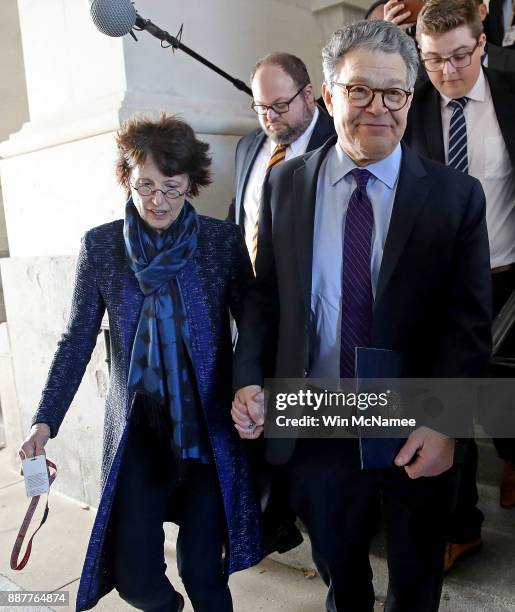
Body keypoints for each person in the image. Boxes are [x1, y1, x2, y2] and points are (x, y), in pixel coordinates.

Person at [232, 20, 492, 612]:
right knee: (341, 577)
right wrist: (250, 377)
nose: (379, 107)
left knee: (416, 583)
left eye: (394, 92)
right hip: (316, 422)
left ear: (409, 95)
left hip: (415, 425)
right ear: (328, 94)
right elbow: (266, 295)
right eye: (359, 91)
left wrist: (446, 422)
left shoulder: (455, 197)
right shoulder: (287, 186)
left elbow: (468, 322)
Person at [18, 114, 263, 612]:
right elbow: (76, 339)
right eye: (145, 185)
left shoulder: (220, 243)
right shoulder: (102, 247)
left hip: (207, 431)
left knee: (202, 573)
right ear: (127, 179)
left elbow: (254, 319)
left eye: (171, 187)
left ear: (191, 183)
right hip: (138, 434)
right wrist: (45, 422)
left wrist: (249, 384)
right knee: (134, 580)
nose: (157, 201)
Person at [403, 0, 515, 570]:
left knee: (503, 393)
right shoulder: (412, 110)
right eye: (434, 61)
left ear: (482, 45)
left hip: (507, 275)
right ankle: (462, 525)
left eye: (460, 57)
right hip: (442, 285)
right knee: (453, 399)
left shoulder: (510, 97)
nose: (448, 72)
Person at [227, 52, 334, 268]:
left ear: (308, 94)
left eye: (280, 105)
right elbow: (240, 217)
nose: (270, 116)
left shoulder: (338, 144)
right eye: (262, 107)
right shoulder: (246, 147)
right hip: (250, 291)